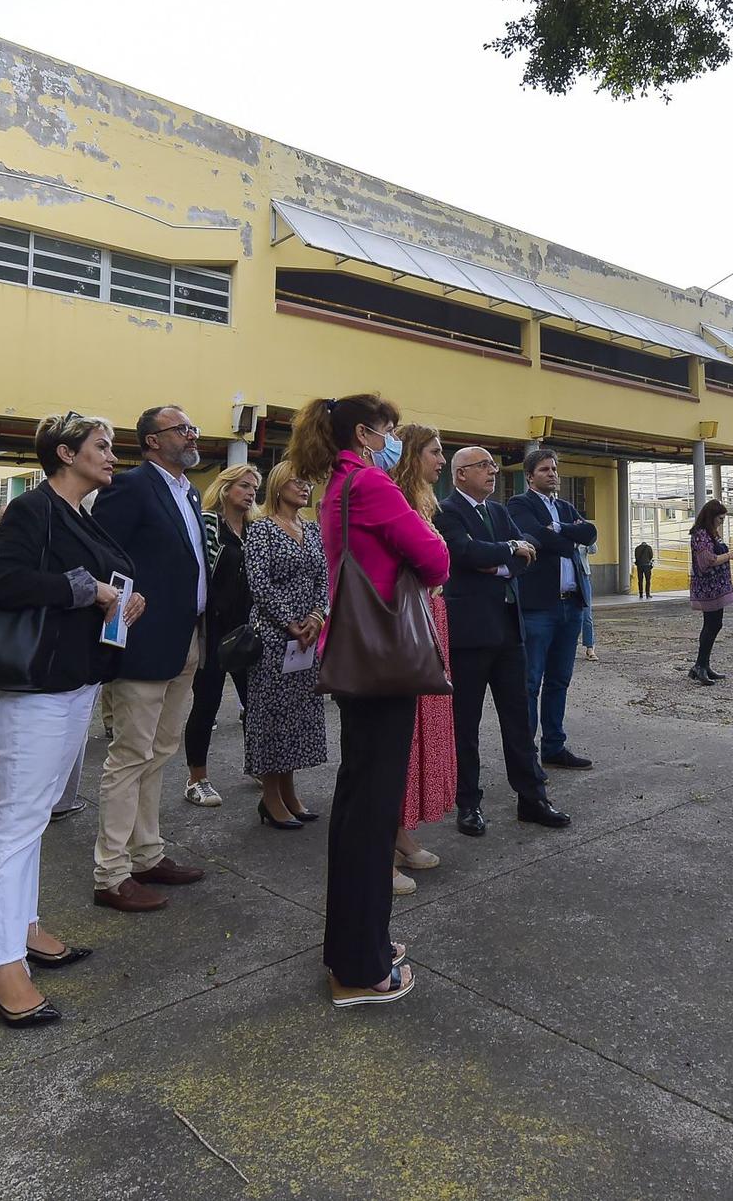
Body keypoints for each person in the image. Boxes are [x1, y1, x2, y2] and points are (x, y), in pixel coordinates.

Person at [0, 410, 143, 1027]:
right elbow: (0, 581)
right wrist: (90, 591)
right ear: (66, 453)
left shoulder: (79, 515)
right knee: (17, 820)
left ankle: (21, 924)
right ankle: (0, 963)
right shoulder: (32, 509)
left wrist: (124, 598)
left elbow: (105, 582)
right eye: (101, 445)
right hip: (34, 686)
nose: (110, 455)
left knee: (34, 816)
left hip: (74, 680)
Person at [291, 393, 450, 1007]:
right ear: (363, 433)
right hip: (386, 663)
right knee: (371, 810)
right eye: (387, 430)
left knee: (360, 803)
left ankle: (358, 945)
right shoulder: (374, 487)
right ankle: (360, 967)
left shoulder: (340, 485)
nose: (393, 439)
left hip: (359, 658)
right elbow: (435, 560)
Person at [87, 406, 211, 912]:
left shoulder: (189, 490)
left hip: (186, 638)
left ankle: (147, 853)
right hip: (143, 641)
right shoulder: (131, 486)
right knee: (129, 756)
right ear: (152, 442)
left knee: (160, 753)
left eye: (191, 428)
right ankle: (111, 873)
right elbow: (102, 553)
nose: (190, 435)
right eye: (181, 429)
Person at [434, 446, 566, 839]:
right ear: (460, 474)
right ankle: (468, 803)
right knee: (466, 724)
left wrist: (501, 560)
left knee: (519, 719)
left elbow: (530, 549)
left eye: (493, 466)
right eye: (484, 466)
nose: (493, 472)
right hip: (470, 634)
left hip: (510, 631)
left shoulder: (498, 511)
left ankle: (532, 798)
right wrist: (507, 552)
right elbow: (464, 552)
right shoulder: (447, 511)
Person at [388, 424, 459, 891]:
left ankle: (400, 833)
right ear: (413, 455)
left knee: (417, 735)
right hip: (407, 623)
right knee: (396, 740)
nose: (441, 460)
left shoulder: (423, 504)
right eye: (435, 452)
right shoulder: (396, 501)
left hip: (430, 618)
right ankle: (381, 845)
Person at [241, 462, 329, 830]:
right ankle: (270, 797)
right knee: (272, 718)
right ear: (277, 486)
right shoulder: (261, 529)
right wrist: (290, 622)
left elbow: (325, 578)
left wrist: (317, 617)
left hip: (307, 638)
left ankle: (290, 791)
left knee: (298, 717)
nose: (305, 487)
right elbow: (259, 583)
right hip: (274, 638)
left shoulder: (311, 529)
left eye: (308, 482)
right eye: (297, 481)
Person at [507, 449, 597, 772]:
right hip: (538, 609)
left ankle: (554, 746)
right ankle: (526, 754)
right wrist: (567, 535)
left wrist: (558, 529)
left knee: (560, 680)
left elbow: (591, 533)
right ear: (530, 476)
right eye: (545, 469)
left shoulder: (564, 506)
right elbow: (535, 538)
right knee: (530, 682)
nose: (552, 474)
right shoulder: (519, 505)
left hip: (570, 606)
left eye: (555, 469)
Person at [181, 462, 260, 809]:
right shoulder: (209, 523)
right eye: (244, 486)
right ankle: (197, 778)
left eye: (254, 488)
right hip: (213, 630)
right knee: (207, 704)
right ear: (226, 488)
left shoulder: (255, 529)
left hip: (247, 630)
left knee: (255, 703)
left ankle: (257, 764)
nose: (250, 493)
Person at [687, 500, 733, 684]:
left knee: (714, 624)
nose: (721, 522)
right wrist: (729, 555)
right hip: (708, 588)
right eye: (720, 518)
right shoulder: (701, 535)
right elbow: (706, 560)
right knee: (712, 625)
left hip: (716, 587)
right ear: (712, 517)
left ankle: (703, 665)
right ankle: (700, 666)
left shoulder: (711, 533)